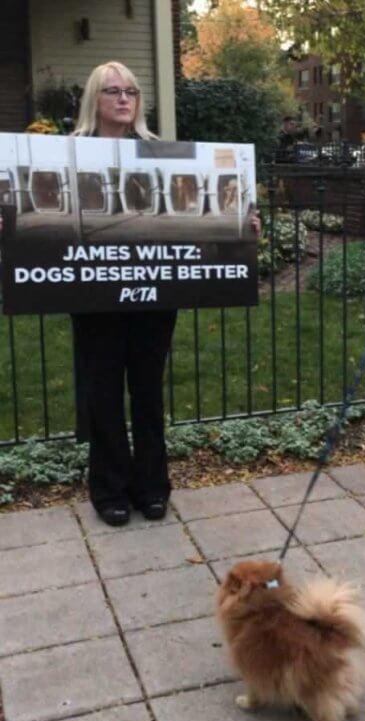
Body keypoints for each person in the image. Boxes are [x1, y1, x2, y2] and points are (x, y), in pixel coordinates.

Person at [71, 62, 259, 526]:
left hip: (155, 293)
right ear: (95, 98)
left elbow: (197, 207)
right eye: (112, 90)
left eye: (130, 91)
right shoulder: (69, 154)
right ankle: (109, 489)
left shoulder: (159, 152)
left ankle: (152, 486)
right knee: (103, 392)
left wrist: (239, 223)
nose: (123, 98)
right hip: (95, 295)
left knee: (148, 390)